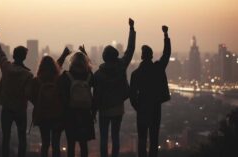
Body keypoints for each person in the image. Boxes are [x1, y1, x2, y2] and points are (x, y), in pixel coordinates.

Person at [93, 18, 136, 157]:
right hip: (118, 107)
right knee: (115, 137)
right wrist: (131, 29)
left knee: (104, 138)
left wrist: (93, 110)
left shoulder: (98, 74)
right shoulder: (121, 66)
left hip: (104, 109)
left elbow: (95, 92)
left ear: (104, 57)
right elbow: (130, 49)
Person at [0, 24, 33, 157]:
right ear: (24, 57)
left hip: (7, 108)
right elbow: (28, 94)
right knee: (22, 138)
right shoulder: (28, 75)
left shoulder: (6, 68)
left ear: (13, 55)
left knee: (6, 138)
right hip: (20, 110)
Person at [130, 25, 171, 157]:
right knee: (154, 138)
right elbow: (166, 54)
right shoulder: (158, 68)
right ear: (151, 56)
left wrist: (138, 107)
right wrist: (165, 35)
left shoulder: (136, 73)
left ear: (142, 56)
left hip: (142, 107)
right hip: (155, 107)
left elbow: (132, 96)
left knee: (142, 139)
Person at [26, 47, 71, 157]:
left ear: (41, 66)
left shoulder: (36, 81)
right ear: (53, 66)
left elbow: (30, 96)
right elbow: (63, 95)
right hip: (57, 115)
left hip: (42, 116)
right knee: (56, 144)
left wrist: (39, 103)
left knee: (45, 143)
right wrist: (64, 55)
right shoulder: (58, 79)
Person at [58, 47, 95, 157]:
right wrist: (85, 55)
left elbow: (55, 73)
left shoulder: (66, 76)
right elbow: (92, 76)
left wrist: (63, 56)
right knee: (83, 145)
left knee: (71, 144)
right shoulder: (88, 76)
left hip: (70, 114)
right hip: (85, 113)